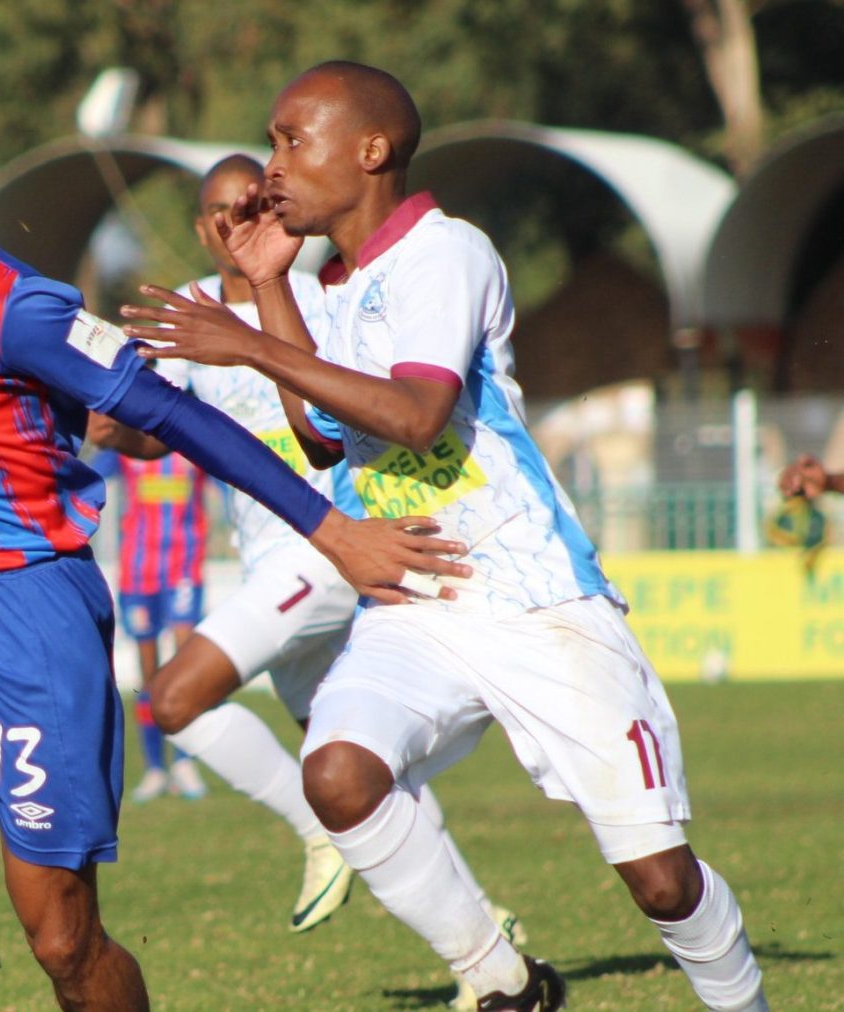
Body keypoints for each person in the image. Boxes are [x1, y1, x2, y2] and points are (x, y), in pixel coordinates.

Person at [0, 37, 469, 1012]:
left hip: (22, 608)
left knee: (64, 938)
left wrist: (331, 530)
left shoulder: (6, 300)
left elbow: (171, 413)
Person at [124, 62, 766, 1012]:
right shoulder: (329, 279)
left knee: (662, 882)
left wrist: (255, 344)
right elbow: (317, 435)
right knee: (337, 777)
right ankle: (503, 982)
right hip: (414, 601)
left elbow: (420, 415)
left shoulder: (445, 252)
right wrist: (267, 293)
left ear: (371, 150)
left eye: (292, 141)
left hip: (533, 602)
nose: (271, 168)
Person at [98, 158, 527, 1010]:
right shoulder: (193, 311)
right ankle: (488, 943)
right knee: (365, 776)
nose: (234, 223)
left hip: (329, 544)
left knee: (175, 697)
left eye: (251, 205)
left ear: (277, 210)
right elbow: (160, 428)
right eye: (218, 212)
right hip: (271, 560)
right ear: (199, 226)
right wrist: (108, 426)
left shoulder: (322, 296)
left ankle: (312, 833)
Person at [87, 446, 208, 803]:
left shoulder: (193, 443)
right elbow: (90, 476)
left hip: (185, 567)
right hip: (139, 572)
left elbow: (234, 478)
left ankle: (185, 762)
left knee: (186, 664)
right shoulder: (127, 445)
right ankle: (156, 768)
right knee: (148, 673)